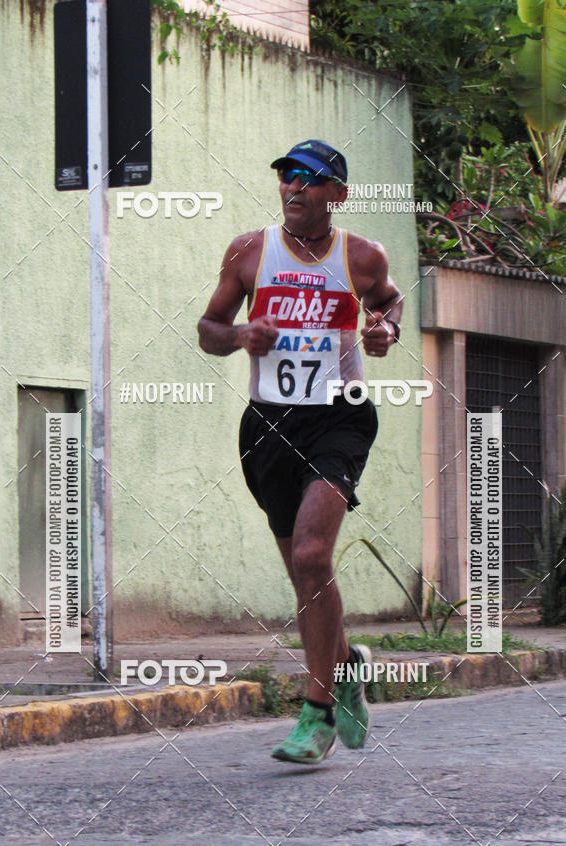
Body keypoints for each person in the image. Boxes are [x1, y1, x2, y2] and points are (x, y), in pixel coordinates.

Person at [198, 139, 402, 764]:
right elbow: (209, 330)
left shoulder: (361, 256)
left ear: (336, 194)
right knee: (303, 574)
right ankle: (346, 667)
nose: (293, 187)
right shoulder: (249, 251)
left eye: (309, 180)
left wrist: (384, 329)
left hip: (338, 420)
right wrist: (239, 335)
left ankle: (315, 714)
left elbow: (389, 301)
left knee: (314, 554)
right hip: (267, 427)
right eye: (287, 176)